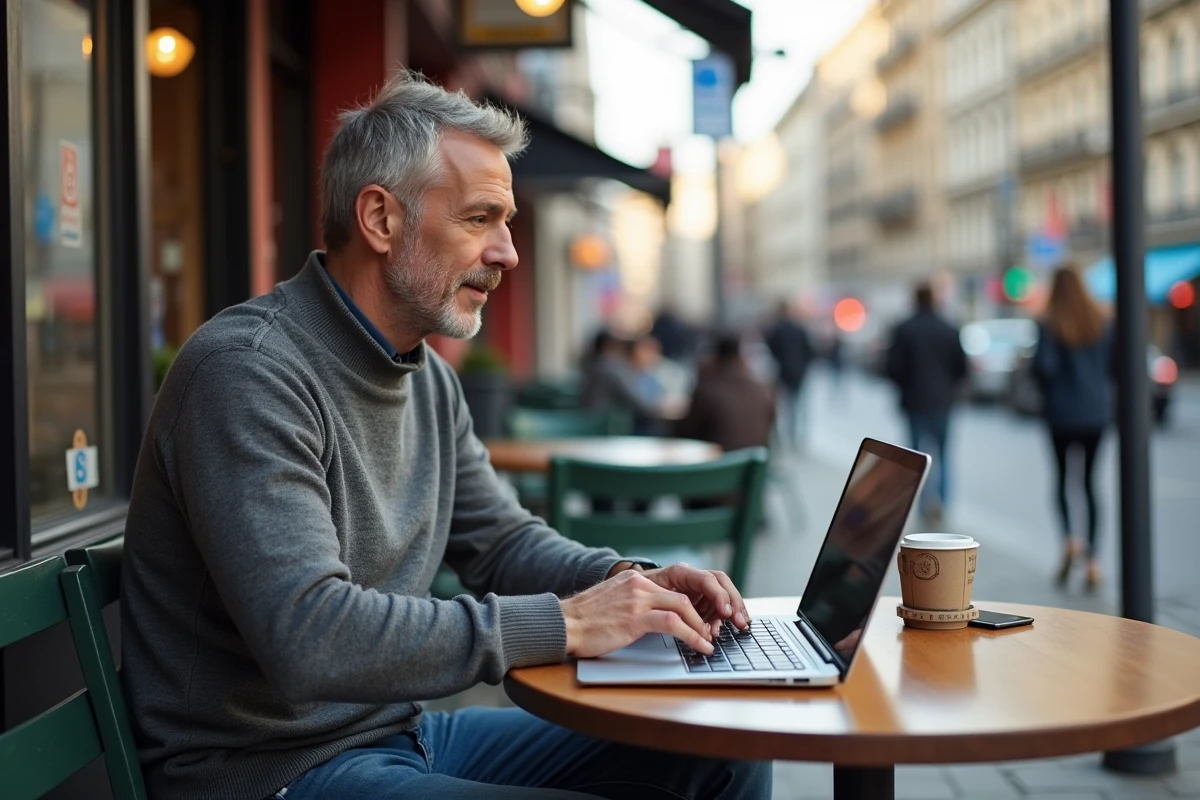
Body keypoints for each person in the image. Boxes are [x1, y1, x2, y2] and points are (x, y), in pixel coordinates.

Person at [121, 72, 769, 800]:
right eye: (480, 219)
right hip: (266, 771)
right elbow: (308, 635)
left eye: (509, 222)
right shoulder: (248, 373)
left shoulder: (425, 376)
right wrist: (565, 624)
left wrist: (624, 583)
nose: (508, 253)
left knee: (724, 749)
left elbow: (500, 542)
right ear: (381, 218)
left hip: (395, 737)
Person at [1033, 265, 1113, 590]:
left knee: (1062, 480)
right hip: (1095, 413)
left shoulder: (1049, 324)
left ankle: (1068, 541)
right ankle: (1093, 560)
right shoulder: (1102, 321)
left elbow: (1043, 368)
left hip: (1061, 415)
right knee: (1091, 484)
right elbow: (1116, 366)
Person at [885, 283, 968, 527]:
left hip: (914, 402)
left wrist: (906, 384)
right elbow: (961, 368)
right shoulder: (949, 328)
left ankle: (922, 506)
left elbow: (892, 367)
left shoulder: (904, 329)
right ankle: (942, 503)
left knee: (916, 458)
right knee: (944, 455)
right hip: (943, 401)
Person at [676, 331, 774, 453]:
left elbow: (687, 434)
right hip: (750, 466)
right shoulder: (763, 389)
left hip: (716, 466)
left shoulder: (708, 390)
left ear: (714, 356)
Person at [764, 300, 814, 450]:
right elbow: (810, 351)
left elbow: (771, 349)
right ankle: (797, 438)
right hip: (799, 372)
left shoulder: (776, 329)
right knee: (798, 406)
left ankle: (785, 438)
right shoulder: (799, 329)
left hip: (783, 372)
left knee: (783, 407)